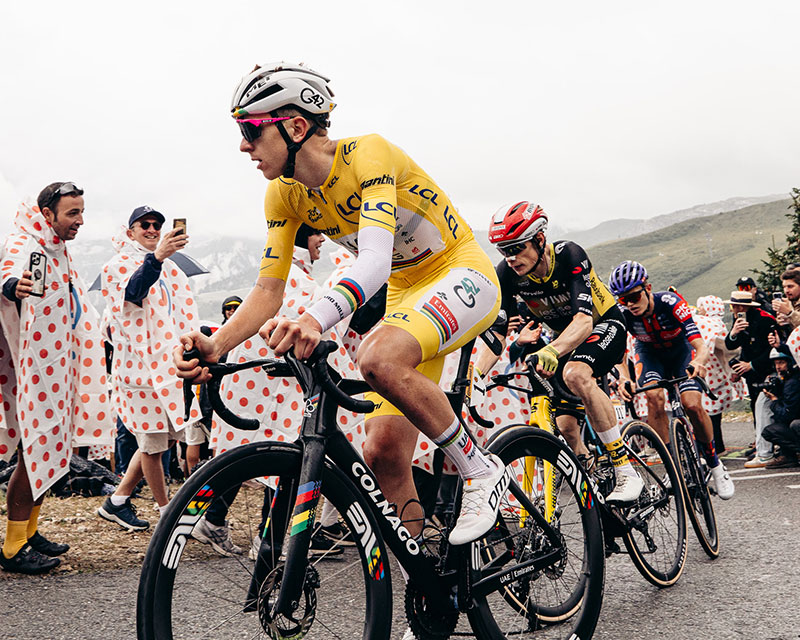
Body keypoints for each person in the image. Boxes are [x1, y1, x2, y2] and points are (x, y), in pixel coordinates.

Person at [176, 62, 505, 548]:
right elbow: (268, 291)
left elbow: (373, 259)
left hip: (459, 270)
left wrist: (313, 319)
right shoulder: (282, 194)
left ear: (295, 127)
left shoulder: (368, 153)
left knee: (377, 356)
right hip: (407, 290)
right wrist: (216, 345)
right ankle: (424, 581)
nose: (243, 146)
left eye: (250, 130)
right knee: (384, 453)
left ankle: (481, 470)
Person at [488, 201, 642, 502]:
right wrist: (477, 376)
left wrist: (552, 350)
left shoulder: (569, 254)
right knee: (566, 426)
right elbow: (497, 336)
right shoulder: (507, 273)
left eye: (517, 248)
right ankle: (595, 489)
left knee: (576, 374)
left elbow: (584, 321)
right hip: (564, 339)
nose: (511, 257)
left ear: (539, 239)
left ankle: (625, 469)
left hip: (602, 324)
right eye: (503, 250)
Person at [0, 183, 110, 574]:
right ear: (48, 214)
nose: (80, 221)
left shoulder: (56, 248)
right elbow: (9, 275)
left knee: (48, 452)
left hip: (58, 371)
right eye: (72, 213)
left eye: (82, 212)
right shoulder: (25, 243)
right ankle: (13, 546)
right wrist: (14, 286)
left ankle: (29, 531)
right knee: (32, 455)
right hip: (33, 373)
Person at [97, 206, 197, 531]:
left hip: (167, 368)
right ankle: (167, 510)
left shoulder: (170, 269)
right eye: (145, 225)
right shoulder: (116, 266)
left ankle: (117, 500)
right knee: (152, 444)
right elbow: (132, 292)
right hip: (138, 371)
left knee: (162, 439)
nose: (152, 229)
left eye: (157, 225)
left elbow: (179, 313)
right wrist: (156, 258)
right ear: (130, 232)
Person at [609, 261, 734, 500]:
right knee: (653, 397)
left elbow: (699, 345)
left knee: (692, 405)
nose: (630, 304)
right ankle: (671, 465)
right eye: (623, 300)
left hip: (681, 351)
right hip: (650, 355)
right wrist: (624, 378)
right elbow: (620, 356)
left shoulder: (670, 303)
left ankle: (715, 465)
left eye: (634, 296)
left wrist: (699, 362)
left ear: (648, 288)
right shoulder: (624, 315)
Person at [724, 289, 779, 466]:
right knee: (755, 408)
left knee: (767, 409)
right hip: (750, 373)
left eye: (734, 306)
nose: (733, 309)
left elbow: (771, 349)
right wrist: (734, 333)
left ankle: (770, 447)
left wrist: (751, 364)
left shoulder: (765, 319)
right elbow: (732, 345)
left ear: (742, 306)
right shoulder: (739, 320)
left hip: (767, 370)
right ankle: (759, 442)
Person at [760, 344, 800, 468]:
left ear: (791, 363)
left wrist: (774, 400)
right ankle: (788, 455)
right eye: (776, 363)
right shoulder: (788, 380)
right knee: (775, 428)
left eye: (781, 363)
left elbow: (787, 414)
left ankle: (790, 455)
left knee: (776, 429)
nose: (778, 367)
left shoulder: (793, 382)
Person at [771, 267, 800, 336]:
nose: (786, 290)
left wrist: (789, 313)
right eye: (784, 287)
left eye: (790, 286)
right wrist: (781, 321)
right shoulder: (789, 302)